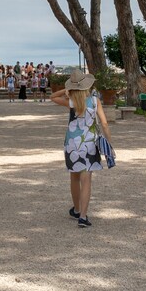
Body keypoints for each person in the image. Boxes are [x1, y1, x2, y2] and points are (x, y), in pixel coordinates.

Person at [51, 70, 110, 228]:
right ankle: (83, 217)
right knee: (86, 180)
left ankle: (76, 209)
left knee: (74, 178)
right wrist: (109, 142)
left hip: (72, 144)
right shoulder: (95, 101)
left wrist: (66, 90)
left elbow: (53, 97)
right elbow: (104, 124)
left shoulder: (71, 102)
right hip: (89, 143)